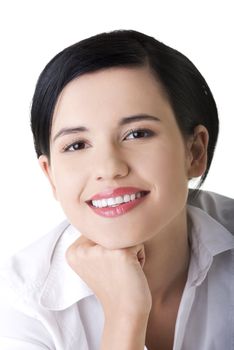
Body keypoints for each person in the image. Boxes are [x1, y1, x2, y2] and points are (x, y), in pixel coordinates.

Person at [0, 29, 233, 350]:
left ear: (194, 153)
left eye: (137, 134)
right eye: (77, 144)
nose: (109, 168)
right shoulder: (18, 303)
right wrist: (125, 316)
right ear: (50, 175)